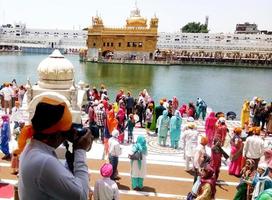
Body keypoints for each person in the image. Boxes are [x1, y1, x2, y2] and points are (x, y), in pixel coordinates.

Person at [18, 97, 93, 200]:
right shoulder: (44, 162)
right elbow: (81, 196)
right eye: (65, 133)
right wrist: (80, 150)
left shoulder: (32, 148)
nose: (65, 137)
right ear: (56, 135)